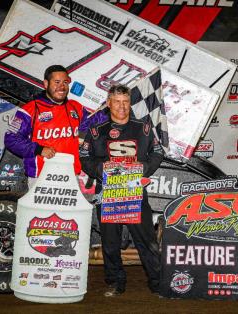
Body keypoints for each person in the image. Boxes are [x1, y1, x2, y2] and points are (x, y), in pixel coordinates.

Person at [79, 85, 163, 296]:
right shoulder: (96, 131)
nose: (122, 106)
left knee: (147, 241)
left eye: (125, 101)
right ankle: (115, 282)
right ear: (108, 104)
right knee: (110, 242)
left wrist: (144, 168)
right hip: (108, 194)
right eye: (117, 102)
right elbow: (84, 158)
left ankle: (157, 282)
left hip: (135, 194)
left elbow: (158, 152)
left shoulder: (142, 127)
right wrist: (100, 169)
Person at [4, 65, 90, 183]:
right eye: (57, 82)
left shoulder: (77, 107)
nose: (62, 86)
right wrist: (39, 149)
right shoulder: (29, 110)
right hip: (41, 176)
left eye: (65, 82)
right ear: (46, 84)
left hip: (71, 175)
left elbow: (90, 125)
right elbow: (11, 140)